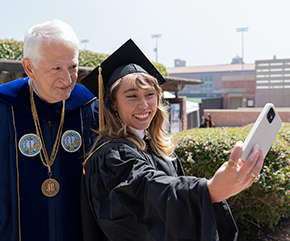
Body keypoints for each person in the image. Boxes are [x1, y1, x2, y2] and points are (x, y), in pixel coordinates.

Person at [80, 39, 263, 241]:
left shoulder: (152, 145)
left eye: (149, 94)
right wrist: (208, 190)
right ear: (113, 103)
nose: (144, 105)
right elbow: (150, 189)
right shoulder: (111, 156)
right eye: (132, 96)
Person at [0, 19, 98, 240]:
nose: (67, 80)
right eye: (56, 68)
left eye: (73, 67)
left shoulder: (88, 109)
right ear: (29, 68)